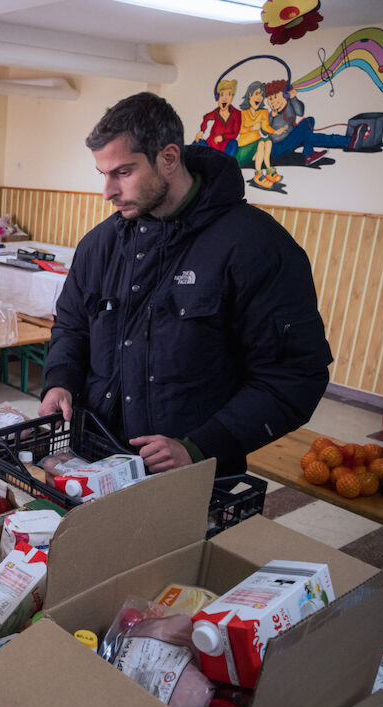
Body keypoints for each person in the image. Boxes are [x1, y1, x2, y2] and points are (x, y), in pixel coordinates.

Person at [39, 92, 332, 477]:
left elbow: (294, 376)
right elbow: (73, 327)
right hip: (91, 459)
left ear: (169, 159)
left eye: (123, 172)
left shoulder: (256, 247)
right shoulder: (100, 245)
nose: (107, 191)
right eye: (103, 174)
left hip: (192, 474)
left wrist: (199, 446)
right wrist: (60, 382)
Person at [264, 80, 352, 166]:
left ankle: (349, 141)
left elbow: (300, 112)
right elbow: (264, 131)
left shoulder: (290, 104)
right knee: (308, 121)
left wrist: (293, 97)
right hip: (278, 148)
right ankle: (309, 154)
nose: (272, 102)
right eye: (270, 98)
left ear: (285, 95)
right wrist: (271, 117)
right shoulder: (270, 115)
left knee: (315, 137)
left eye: (275, 97)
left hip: (292, 140)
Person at [235, 80, 282, 188]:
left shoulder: (263, 112)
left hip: (256, 144)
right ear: (249, 95)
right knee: (262, 143)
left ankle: (269, 171)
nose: (259, 98)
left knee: (268, 141)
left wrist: (276, 131)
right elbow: (241, 130)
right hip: (244, 148)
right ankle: (258, 175)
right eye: (256, 94)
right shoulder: (243, 113)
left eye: (261, 95)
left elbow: (265, 127)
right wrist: (253, 127)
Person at [194, 78, 240, 155]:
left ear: (232, 97)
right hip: (211, 146)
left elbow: (235, 134)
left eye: (229, 94)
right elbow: (206, 117)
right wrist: (202, 130)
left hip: (226, 148)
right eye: (222, 94)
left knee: (234, 143)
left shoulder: (237, 113)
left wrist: (222, 137)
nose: (225, 98)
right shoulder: (216, 112)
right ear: (217, 96)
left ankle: (224, 162)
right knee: (197, 143)